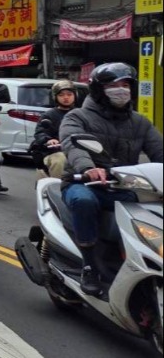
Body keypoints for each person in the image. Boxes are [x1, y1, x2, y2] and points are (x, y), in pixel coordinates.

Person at [58, 63, 163, 296]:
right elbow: (73, 144)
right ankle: (89, 266)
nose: (121, 90)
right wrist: (89, 168)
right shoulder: (78, 116)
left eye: (125, 85)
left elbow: (159, 151)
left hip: (124, 185)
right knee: (84, 202)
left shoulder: (140, 122)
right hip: (84, 183)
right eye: (113, 86)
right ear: (98, 90)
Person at [30, 80, 78, 179]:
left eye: (69, 94)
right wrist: (48, 140)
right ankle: (59, 188)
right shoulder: (49, 115)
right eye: (61, 95)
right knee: (59, 160)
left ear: (75, 95)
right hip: (55, 152)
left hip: (78, 151)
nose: (66, 97)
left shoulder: (81, 114)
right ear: (55, 97)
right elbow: (40, 132)